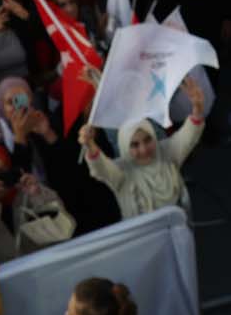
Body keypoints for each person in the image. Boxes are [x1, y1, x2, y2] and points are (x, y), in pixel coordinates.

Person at [76, 75, 206, 220]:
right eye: (135, 145)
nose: (143, 150)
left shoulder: (166, 152)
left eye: (147, 140)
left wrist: (198, 108)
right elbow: (101, 167)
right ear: (124, 146)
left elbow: (188, 135)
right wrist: (90, 145)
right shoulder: (121, 171)